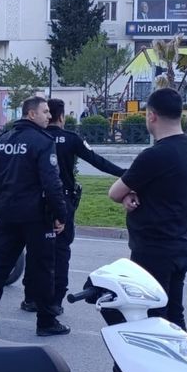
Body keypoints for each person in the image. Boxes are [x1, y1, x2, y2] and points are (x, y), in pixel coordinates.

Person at [0, 96, 70, 337]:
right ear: (31, 114)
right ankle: (46, 321)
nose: (49, 116)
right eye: (45, 111)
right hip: (37, 217)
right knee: (43, 268)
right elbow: (52, 183)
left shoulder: (2, 140)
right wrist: (61, 215)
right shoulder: (42, 141)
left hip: (8, 214)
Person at [108, 88, 187, 330]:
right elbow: (165, 188)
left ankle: (160, 367)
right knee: (174, 315)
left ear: (151, 115)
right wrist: (135, 192)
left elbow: (114, 192)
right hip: (181, 243)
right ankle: (183, 365)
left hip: (154, 250)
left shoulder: (154, 155)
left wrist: (128, 193)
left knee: (152, 321)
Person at [21, 98, 125, 314]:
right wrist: (126, 175)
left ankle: (30, 297)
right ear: (61, 116)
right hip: (62, 200)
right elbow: (97, 161)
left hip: (33, 202)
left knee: (34, 250)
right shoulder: (70, 138)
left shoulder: (33, 137)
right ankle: (55, 301)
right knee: (60, 252)